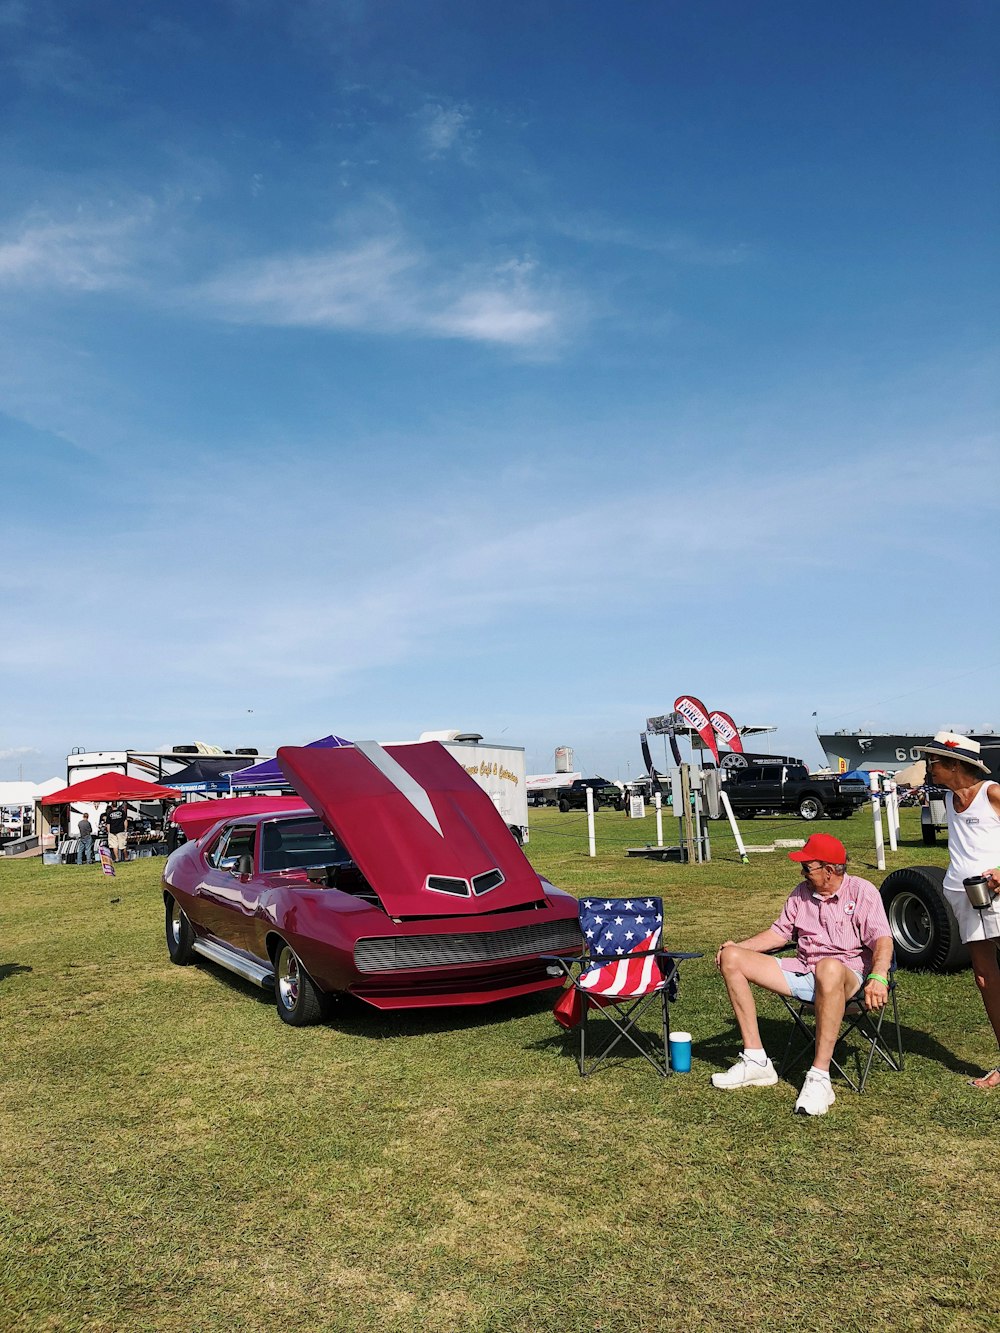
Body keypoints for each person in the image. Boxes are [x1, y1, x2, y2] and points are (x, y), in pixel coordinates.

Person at [712, 832, 893, 1116]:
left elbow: (882, 939)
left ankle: (820, 1077)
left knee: (828, 967)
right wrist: (738, 946)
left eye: (808, 867)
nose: (802, 872)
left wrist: (879, 976)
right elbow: (779, 933)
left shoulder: (862, 892)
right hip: (803, 969)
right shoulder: (801, 893)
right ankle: (756, 1060)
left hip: (846, 974)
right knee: (732, 958)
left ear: (830, 870)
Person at [916, 731, 1000, 1091]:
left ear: (955, 764)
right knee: (984, 978)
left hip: (997, 894)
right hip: (965, 897)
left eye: (933, 762)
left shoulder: (993, 794)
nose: (928, 768)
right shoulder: (950, 799)